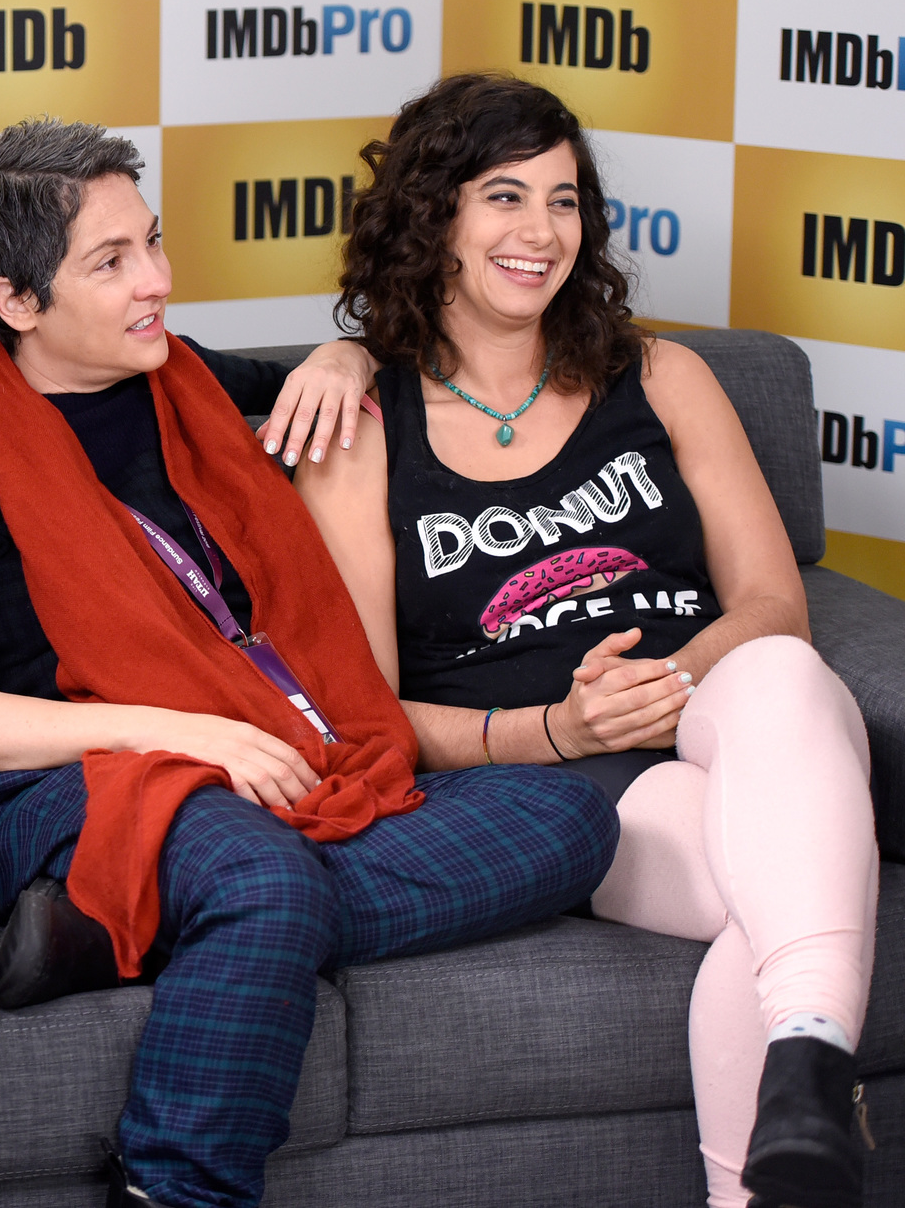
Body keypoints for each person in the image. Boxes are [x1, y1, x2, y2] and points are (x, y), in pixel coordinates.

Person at [0, 116, 620, 1208]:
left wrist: (342, 353)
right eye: (110, 264)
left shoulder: (185, 380)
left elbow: (351, 372)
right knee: (259, 878)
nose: (155, 280)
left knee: (568, 821)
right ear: (15, 301)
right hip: (50, 792)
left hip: (282, 761)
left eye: (150, 241)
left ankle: (107, 927)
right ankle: (174, 1188)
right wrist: (186, 734)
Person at [293, 72, 880, 1208]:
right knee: (769, 899)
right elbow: (364, 712)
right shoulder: (362, 425)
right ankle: (794, 1107)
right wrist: (557, 728)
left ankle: (808, 1052)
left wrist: (660, 683)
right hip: (556, 781)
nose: (538, 232)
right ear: (433, 216)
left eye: (563, 201)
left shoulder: (659, 375)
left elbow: (767, 603)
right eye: (502, 197)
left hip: (720, 704)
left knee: (780, 669)